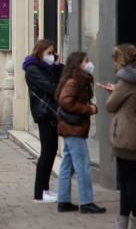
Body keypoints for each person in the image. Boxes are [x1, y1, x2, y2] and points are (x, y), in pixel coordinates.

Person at [54, 52, 105, 214]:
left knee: (67, 165)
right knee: (83, 165)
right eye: (86, 61)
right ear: (78, 64)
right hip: (73, 128)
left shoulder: (77, 80)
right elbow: (65, 101)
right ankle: (86, 202)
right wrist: (87, 109)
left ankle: (63, 200)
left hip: (71, 127)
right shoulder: (73, 82)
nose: (89, 64)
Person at [23, 39, 63, 203]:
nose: (52, 56)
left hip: (50, 113)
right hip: (44, 113)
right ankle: (39, 193)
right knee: (47, 152)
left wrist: (58, 66)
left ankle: (45, 189)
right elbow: (52, 87)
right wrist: (57, 70)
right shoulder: (33, 68)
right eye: (49, 53)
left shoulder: (47, 67)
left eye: (53, 53)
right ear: (40, 53)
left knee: (51, 150)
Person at [102, 44, 136, 228]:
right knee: (129, 180)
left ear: (121, 60)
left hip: (126, 136)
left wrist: (114, 92)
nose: (114, 64)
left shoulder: (126, 80)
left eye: (115, 59)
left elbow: (110, 106)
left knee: (127, 182)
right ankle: (124, 220)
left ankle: (126, 221)